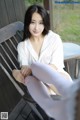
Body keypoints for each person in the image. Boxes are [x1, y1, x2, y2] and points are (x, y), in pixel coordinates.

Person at [12, 4, 79, 120]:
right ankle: (63, 99)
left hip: (57, 77)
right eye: (33, 22)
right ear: (27, 23)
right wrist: (25, 69)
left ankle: (68, 93)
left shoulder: (54, 38)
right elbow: (24, 66)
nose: (36, 27)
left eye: (41, 23)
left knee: (35, 69)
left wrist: (32, 69)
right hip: (38, 85)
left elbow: (55, 65)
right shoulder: (22, 46)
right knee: (24, 75)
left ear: (45, 23)